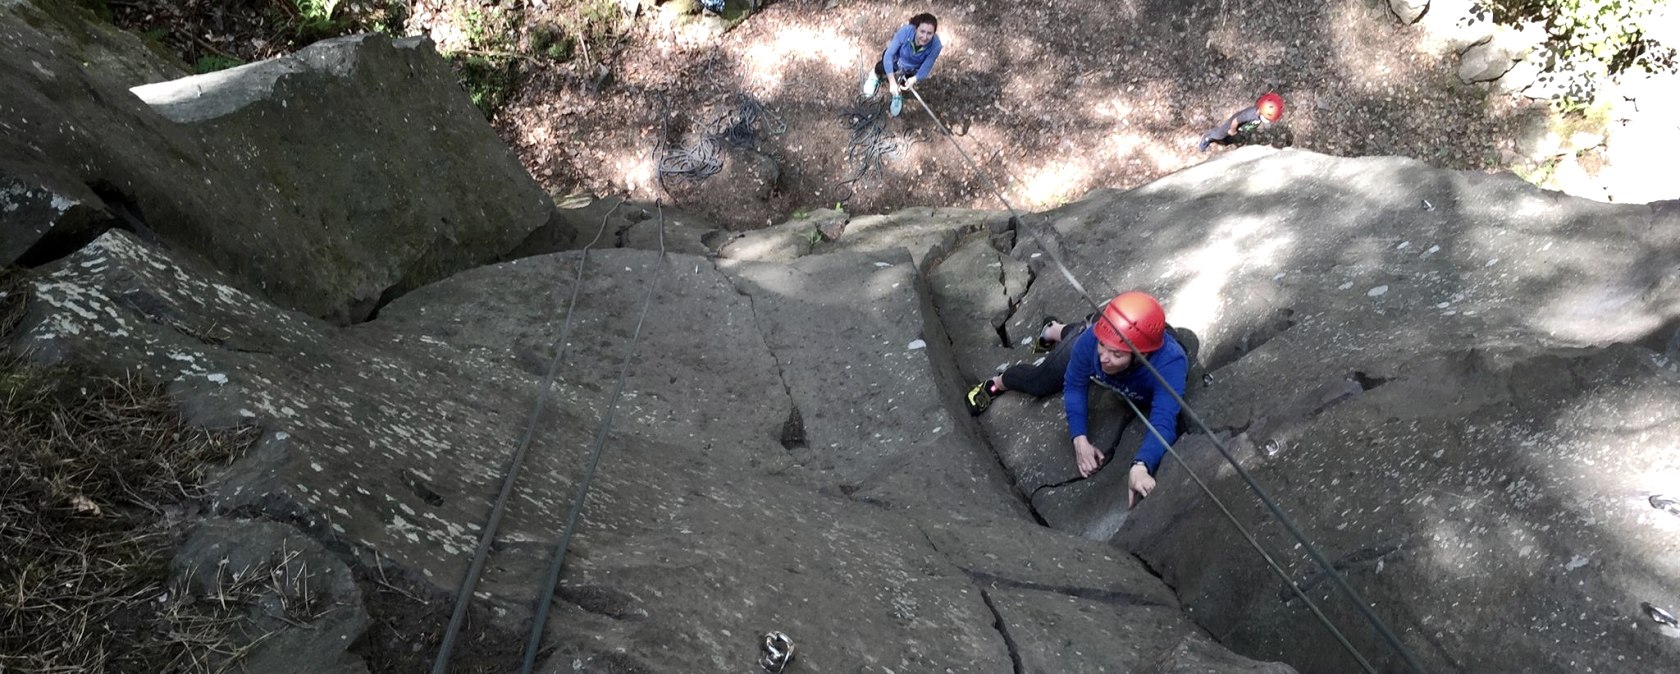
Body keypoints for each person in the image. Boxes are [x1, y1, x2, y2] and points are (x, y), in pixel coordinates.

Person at [965, 292, 1189, 507]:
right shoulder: (1093, 340)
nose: (1104, 358)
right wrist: (1079, 439)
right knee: (1040, 382)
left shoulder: (1169, 366)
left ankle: (1054, 330)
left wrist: (1141, 465)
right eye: (1103, 346)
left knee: (1084, 339)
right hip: (1087, 336)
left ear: (1143, 355)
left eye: (1117, 354)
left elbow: (1163, 422)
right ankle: (997, 382)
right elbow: (1074, 384)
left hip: (1115, 346)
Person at [863, 13, 943, 118]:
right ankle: (875, 75)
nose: (925, 37)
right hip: (897, 59)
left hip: (913, 68)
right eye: (922, 31)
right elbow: (888, 55)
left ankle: (897, 93)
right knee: (882, 67)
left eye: (929, 33)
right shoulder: (905, 32)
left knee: (906, 84)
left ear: (934, 33)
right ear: (916, 29)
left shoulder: (936, 46)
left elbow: (926, 67)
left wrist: (914, 79)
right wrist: (892, 81)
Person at [1198, 92, 1285, 152]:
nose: (1267, 121)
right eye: (1266, 118)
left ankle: (1227, 140)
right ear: (1260, 112)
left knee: (1233, 139)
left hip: (1241, 129)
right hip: (1232, 126)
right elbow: (1235, 121)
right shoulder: (1248, 114)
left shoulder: (1258, 116)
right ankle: (1207, 138)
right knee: (1219, 134)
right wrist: (1232, 131)